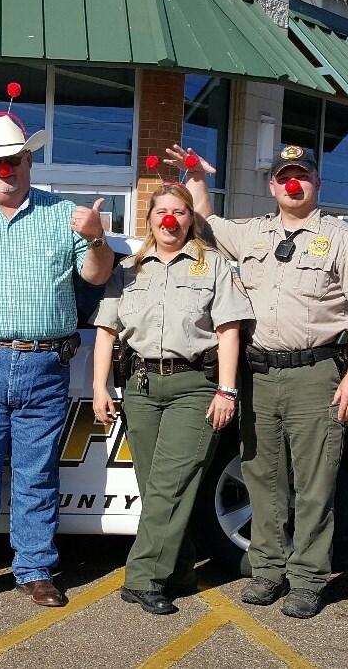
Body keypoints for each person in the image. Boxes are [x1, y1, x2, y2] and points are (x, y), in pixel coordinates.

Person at [165, 142, 348, 618]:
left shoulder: (343, 239)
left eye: (301, 175)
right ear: (272, 185)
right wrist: (195, 177)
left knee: (314, 483)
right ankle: (266, 571)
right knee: (262, 477)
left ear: (317, 183)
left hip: (316, 374)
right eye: (284, 177)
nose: (292, 183)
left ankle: (307, 579)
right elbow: (204, 224)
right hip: (259, 375)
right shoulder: (254, 234)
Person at [0, 106, 114, 609]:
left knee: (37, 472)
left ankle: (35, 568)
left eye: (13, 160)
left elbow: (98, 277)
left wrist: (97, 238)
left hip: (45, 365)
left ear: (29, 161)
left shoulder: (65, 216)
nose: (4, 171)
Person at [92, 184, 253, 615]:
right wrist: (99, 388)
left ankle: (142, 578)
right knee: (156, 487)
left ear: (189, 218)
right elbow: (107, 333)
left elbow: (229, 333)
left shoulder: (214, 266)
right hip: (142, 388)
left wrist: (226, 388)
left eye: (179, 211)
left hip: (194, 387)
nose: (170, 219)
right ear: (149, 218)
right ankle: (180, 570)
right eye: (161, 211)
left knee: (169, 483)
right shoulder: (128, 269)